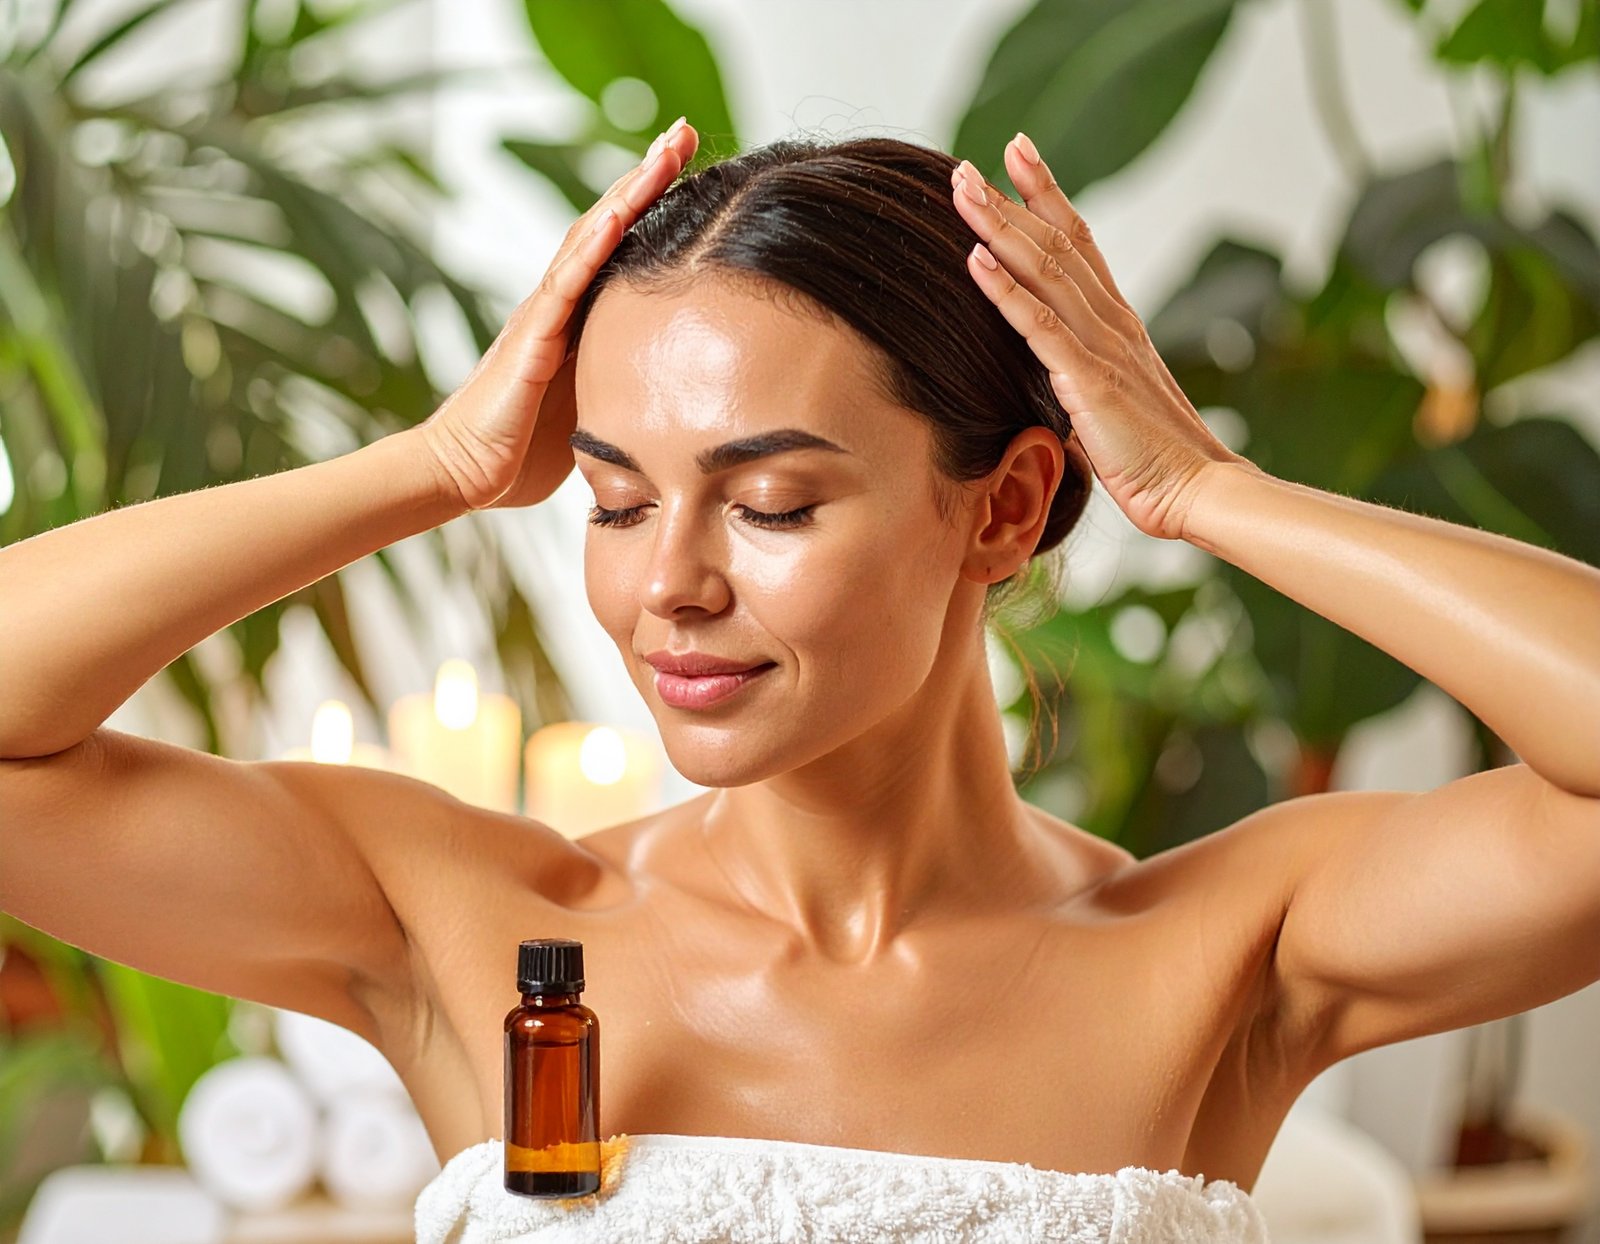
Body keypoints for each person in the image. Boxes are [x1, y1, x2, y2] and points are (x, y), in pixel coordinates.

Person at [3, 113, 1598, 1220]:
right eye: (618, 500)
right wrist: (437, 463)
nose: (666, 587)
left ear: (1009, 506)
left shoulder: (1227, 953)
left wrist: (1208, 490)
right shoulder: (472, 931)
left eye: (768, 502)